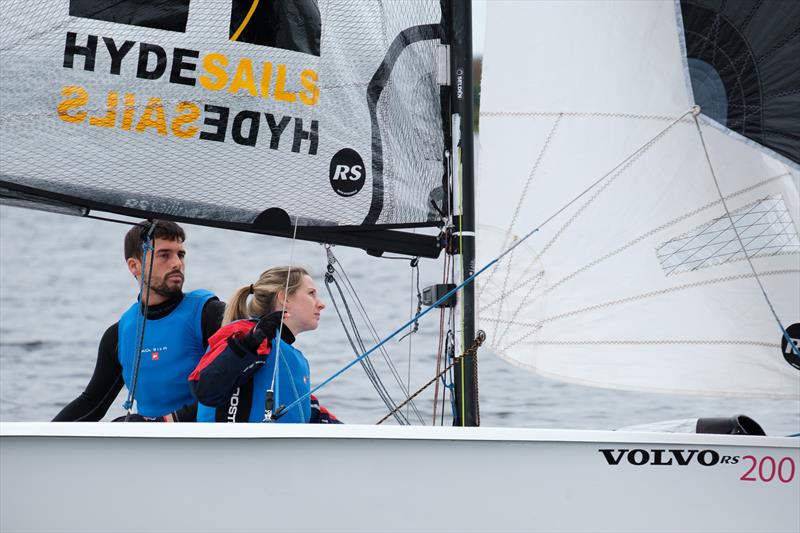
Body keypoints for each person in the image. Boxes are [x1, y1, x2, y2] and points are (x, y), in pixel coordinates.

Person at [53, 220, 225, 422]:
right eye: (164, 255)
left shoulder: (210, 315)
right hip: (149, 443)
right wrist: (40, 438)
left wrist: (165, 423)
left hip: (206, 441)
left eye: (180, 254)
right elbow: (91, 404)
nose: (177, 263)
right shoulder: (119, 335)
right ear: (134, 266)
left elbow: (231, 388)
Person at [189, 266, 340, 423]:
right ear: (284, 298)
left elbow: (308, 412)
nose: (321, 304)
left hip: (279, 446)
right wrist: (248, 343)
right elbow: (204, 389)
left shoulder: (295, 358)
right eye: (311, 293)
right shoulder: (245, 335)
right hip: (232, 446)